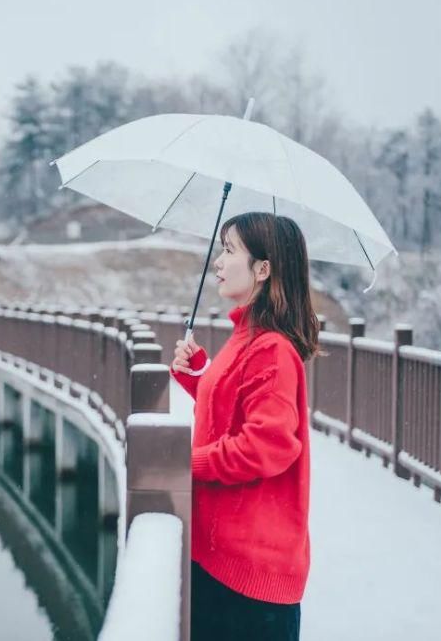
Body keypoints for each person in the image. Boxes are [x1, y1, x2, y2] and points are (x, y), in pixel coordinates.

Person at [170, 212, 319, 641]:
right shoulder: (246, 337)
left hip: (250, 579)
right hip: (222, 558)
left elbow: (264, 446)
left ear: (262, 268)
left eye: (229, 250)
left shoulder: (271, 348)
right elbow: (233, 411)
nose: (218, 261)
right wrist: (199, 377)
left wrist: (185, 462)